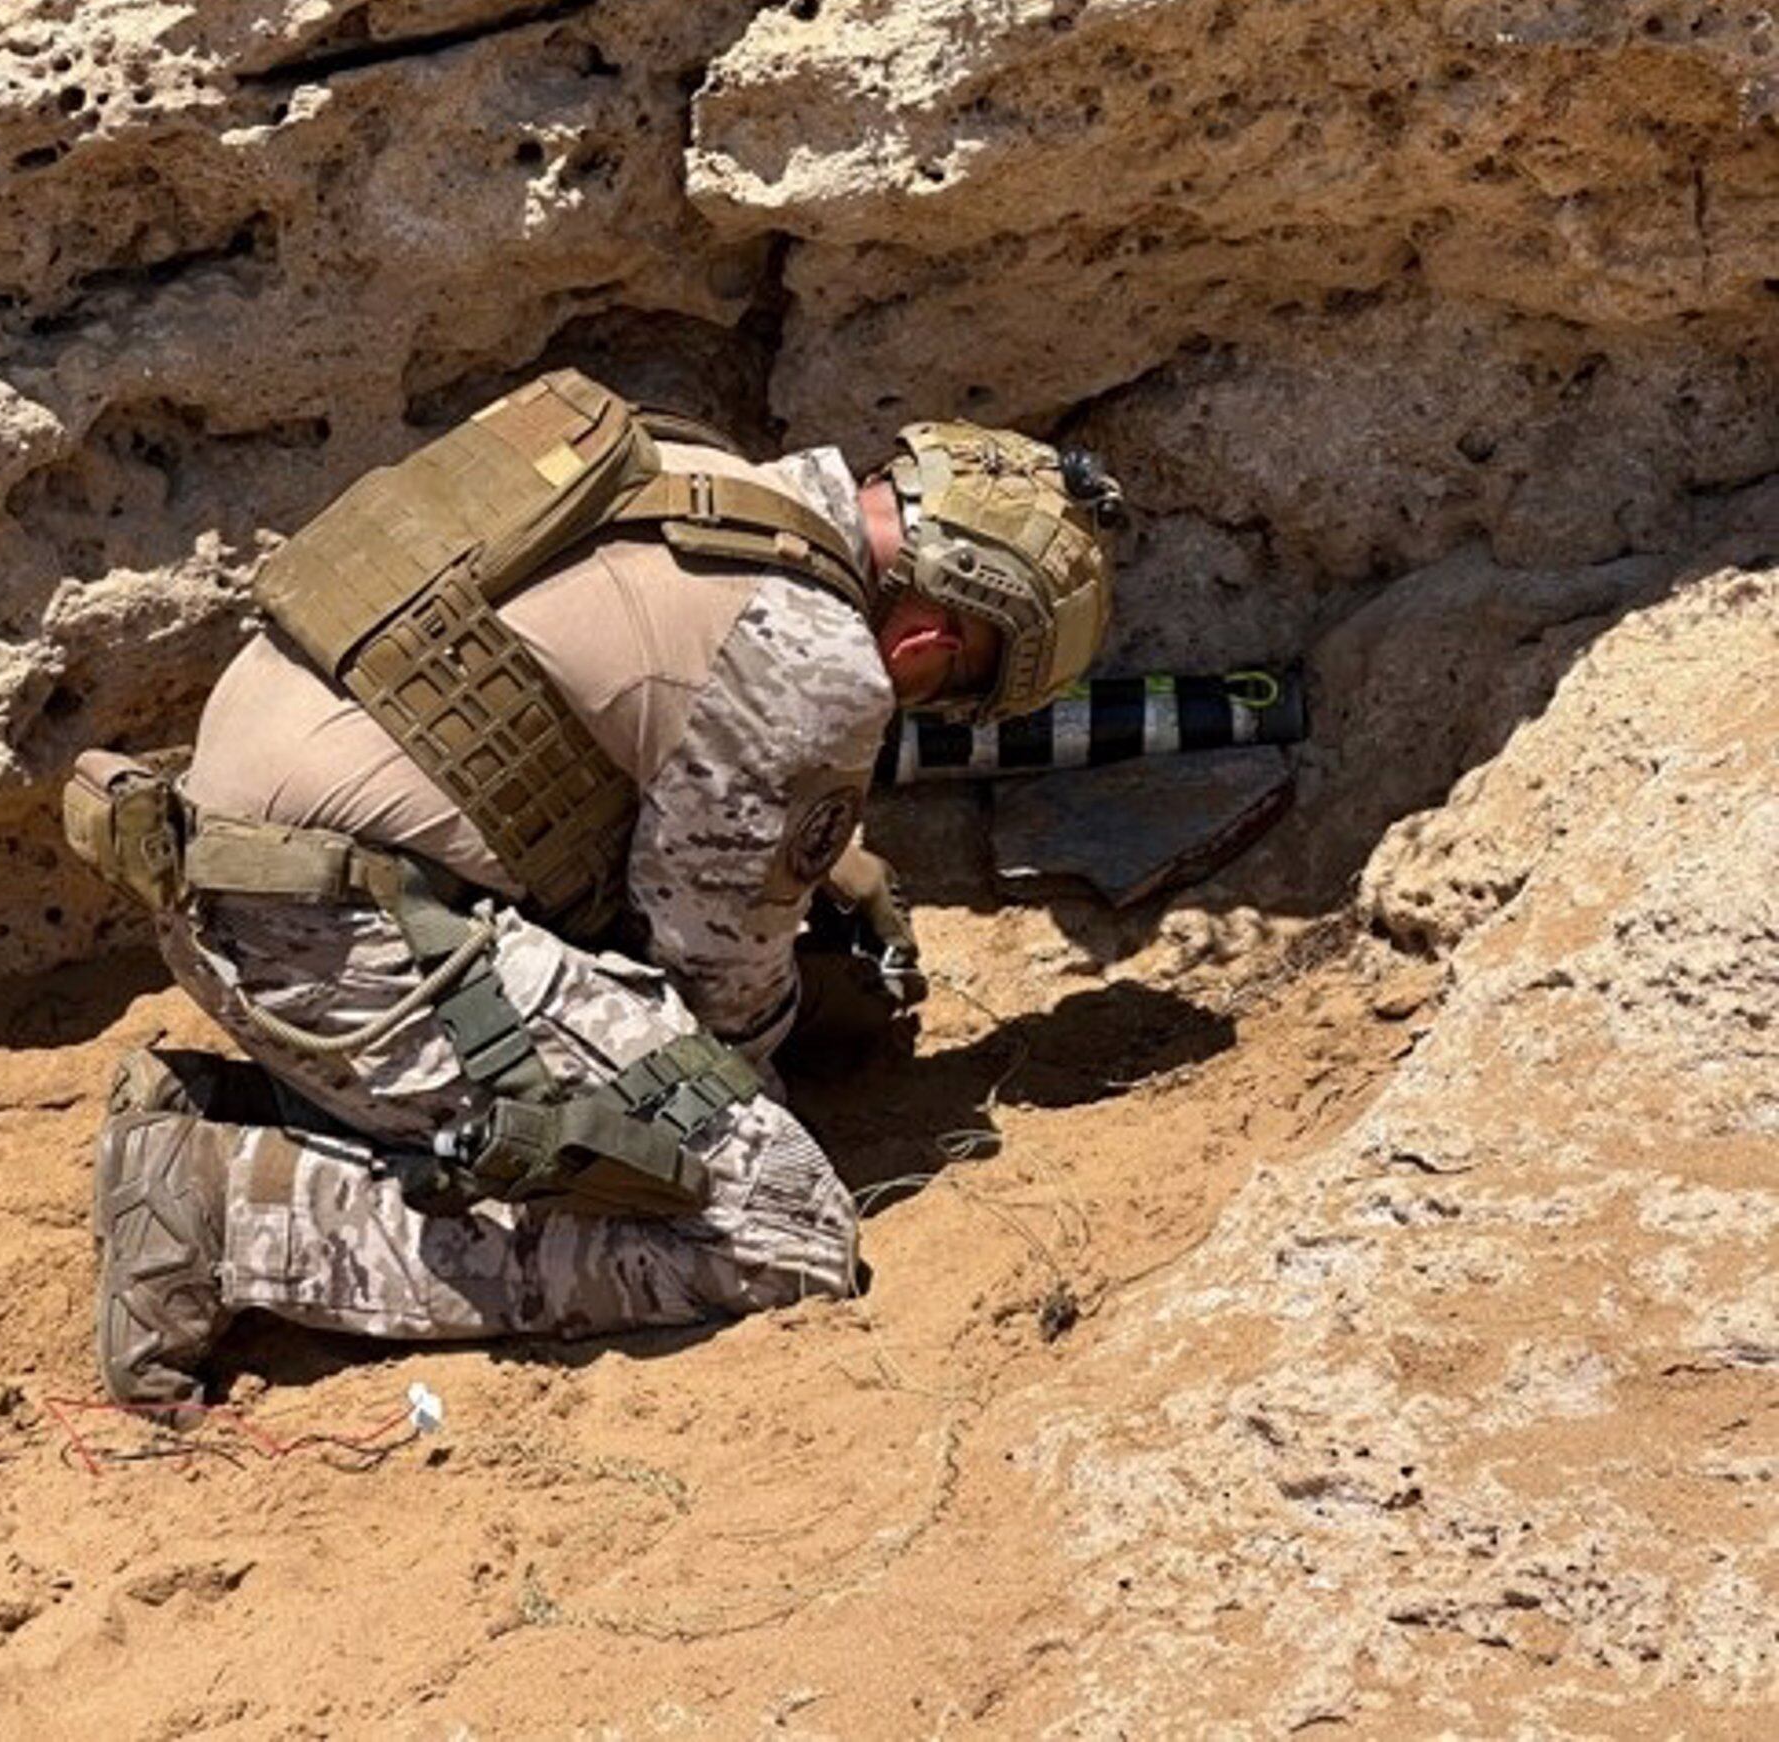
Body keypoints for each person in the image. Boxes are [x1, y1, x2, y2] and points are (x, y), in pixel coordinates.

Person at [83, 376, 1122, 1408]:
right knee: (776, 1222)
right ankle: (230, 1217)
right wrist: (776, 1053)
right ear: (929, 644)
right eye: (948, 688)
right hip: (330, 933)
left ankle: (257, 1104)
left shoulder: (695, 467)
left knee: (633, 1086)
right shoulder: (820, 664)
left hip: (220, 869)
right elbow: (714, 993)